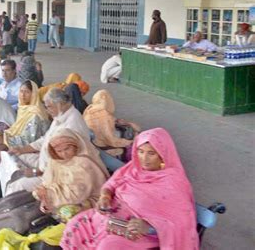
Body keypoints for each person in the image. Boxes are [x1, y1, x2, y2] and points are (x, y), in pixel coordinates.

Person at [61, 128, 199, 250]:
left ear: (162, 155)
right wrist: (105, 196)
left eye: (151, 153)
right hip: (110, 220)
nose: (144, 158)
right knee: (75, 224)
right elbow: (111, 184)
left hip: (139, 233)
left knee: (108, 246)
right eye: (140, 151)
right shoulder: (133, 167)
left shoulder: (173, 181)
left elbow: (182, 222)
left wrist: (148, 227)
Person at [6, 88, 107, 194]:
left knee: (16, 186)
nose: (47, 111)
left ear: (60, 104)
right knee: (15, 156)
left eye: (49, 107)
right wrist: (22, 149)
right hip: (44, 163)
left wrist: (37, 172)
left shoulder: (71, 125)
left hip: (57, 175)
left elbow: (63, 161)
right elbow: (45, 139)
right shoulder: (61, 116)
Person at [32, 128, 108, 220]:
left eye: (67, 148)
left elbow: (77, 195)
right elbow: (46, 183)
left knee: (67, 213)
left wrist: (48, 195)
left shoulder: (83, 163)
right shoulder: (55, 162)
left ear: (75, 146)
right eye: (59, 151)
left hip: (85, 204)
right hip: (60, 203)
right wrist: (43, 197)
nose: (64, 154)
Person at [84, 90, 140, 157]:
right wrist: (130, 142)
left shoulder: (89, 110)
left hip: (92, 141)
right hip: (101, 144)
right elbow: (110, 138)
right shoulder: (105, 115)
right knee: (132, 134)